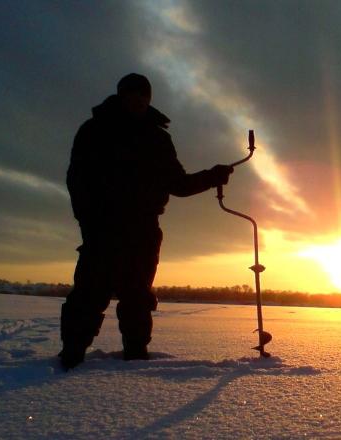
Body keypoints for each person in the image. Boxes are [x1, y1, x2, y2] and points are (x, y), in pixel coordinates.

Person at [59, 73, 233, 370]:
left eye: (145, 95)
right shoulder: (94, 130)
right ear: (121, 95)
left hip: (143, 230)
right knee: (89, 293)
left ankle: (136, 358)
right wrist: (88, 221)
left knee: (138, 296)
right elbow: (77, 180)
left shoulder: (158, 138)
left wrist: (211, 176)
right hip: (102, 228)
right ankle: (71, 355)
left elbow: (178, 184)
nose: (140, 100)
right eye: (134, 94)